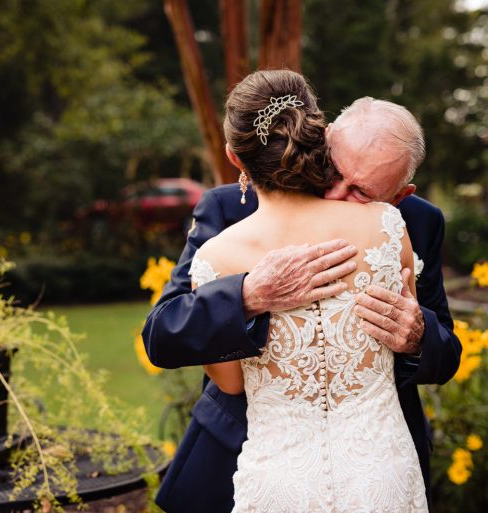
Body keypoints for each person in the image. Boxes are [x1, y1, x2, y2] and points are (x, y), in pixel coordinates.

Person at [144, 73, 461, 513]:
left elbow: (447, 350)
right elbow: (162, 332)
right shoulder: (226, 208)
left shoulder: (415, 222)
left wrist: (420, 336)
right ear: (323, 137)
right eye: (335, 171)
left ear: (401, 195)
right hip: (244, 451)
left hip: (374, 463)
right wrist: (247, 296)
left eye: (361, 193)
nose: (334, 193)